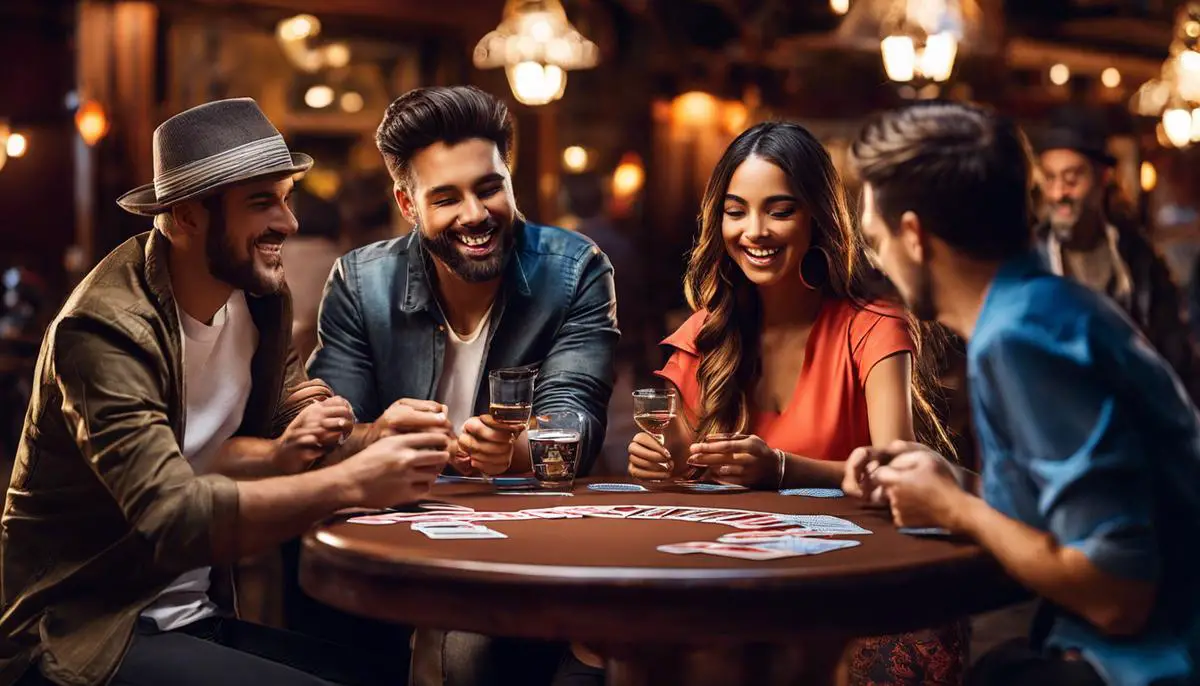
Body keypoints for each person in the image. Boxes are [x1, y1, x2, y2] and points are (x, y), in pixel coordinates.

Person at [0, 98, 451, 686]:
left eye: (286, 198)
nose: (289, 223)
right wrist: (353, 481)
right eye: (262, 202)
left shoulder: (257, 294)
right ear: (185, 216)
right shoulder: (104, 331)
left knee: (380, 670)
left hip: (192, 614)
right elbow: (169, 517)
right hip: (82, 633)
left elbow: (291, 415)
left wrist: (372, 435)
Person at [847, 100, 1200, 686]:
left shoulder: (1020, 337)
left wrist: (957, 510)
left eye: (874, 239)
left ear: (913, 235)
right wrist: (945, 481)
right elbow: (1069, 509)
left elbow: (1118, 593)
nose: (879, 263)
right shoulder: (1040, 305)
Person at [605, 121, 966, 685]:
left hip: (847, 578)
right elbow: (670, 456)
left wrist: (780, 469)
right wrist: (658, 462)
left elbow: (901, 474)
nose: (755, 231)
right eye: (736, 210)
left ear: (817, 216)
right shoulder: (707, 333)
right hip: (734, 578)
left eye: (778, 210)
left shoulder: (872, 325)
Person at [299, 85, 619, 686]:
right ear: (408, 202)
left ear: (509, 178)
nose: (475, 214)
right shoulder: (360, 282)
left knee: (478, 655)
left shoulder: (576, 269)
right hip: (389, 528)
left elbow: (575, 418)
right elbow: (321, 434)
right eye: (445, 198)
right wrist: (375, 435)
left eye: (489, 187)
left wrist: (514, 450)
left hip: (521, 537)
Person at [1034, 106, 1196, 395]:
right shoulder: (1028, 260)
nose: (1059, 194)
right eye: (1049, 179)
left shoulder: (1138, 256)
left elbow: (1175, 353)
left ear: (1103, 177)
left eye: (1071, 180)